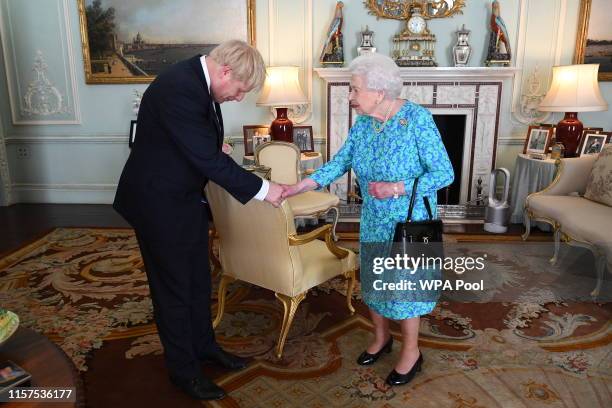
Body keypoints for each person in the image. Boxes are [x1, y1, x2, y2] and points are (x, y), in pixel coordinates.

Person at [113, 40, 285, 401]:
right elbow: (206, 159)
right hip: (157, 202)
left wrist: (210, 145)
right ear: (225, 71)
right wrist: (265, 190)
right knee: (174, 290)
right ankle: (184, 371)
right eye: (239, 89)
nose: (239, 98)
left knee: (198, 280)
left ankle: (205, 348)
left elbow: (197, 143)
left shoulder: (198, 80)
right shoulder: (179, 87)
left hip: (184, 198)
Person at [282, 53, 454, 386]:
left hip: (411, 220)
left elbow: (444, 173)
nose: (350, 96)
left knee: (406, 289)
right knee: (375, 283)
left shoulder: (416, 119)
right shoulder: (364, 123)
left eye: (354, 89)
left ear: (379, 91)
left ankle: (411, 352)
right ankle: (381, 338)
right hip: (374, 219)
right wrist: (303, 183)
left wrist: (396, 188)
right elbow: (341, 161)